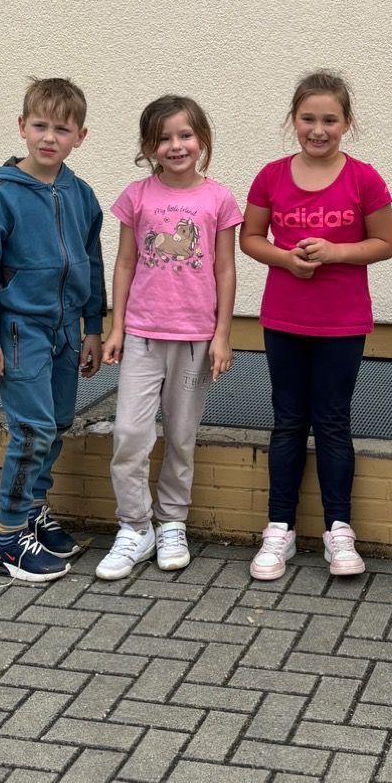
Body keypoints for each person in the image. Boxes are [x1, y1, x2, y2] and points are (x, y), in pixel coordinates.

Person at [240, 71, 392, 582]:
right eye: (308, 118)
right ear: (294, 120)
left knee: (332, 422)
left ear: (347, 122)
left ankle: (338, 529)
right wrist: (287, 260)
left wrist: (334, 251)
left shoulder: (364, 179)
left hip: (341, 323)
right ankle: (279, 529)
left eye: (330, 119)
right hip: (285, 318)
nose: (319, 129)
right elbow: (250, 238)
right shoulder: (271, 176)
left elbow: (384, 243)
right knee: (288, 421)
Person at [0, 77, 105, 582]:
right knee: (33, 430)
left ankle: (33, 512)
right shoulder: (0, 194)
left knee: (58, 422)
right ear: (22, 126)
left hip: (66, 330)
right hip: (19, 332)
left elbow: (92, 261)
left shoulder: (81, 194)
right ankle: (8, 538)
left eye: (62, 130)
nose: (50, 137)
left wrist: (93, 326)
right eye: (40, 126)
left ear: (80, 137)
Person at [96, 95, 241, 580]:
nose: (176, 146)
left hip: (196, 340)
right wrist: (116, 327)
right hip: (141, 336)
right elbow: (125, 263)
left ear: (202, 140)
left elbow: (225, 268)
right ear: (148, 147)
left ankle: (172, 521)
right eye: (164, 138)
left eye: (185, 135)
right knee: (130, 434)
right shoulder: (136, 196)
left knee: (180, 434)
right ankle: (135, 527)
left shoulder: (218, 199)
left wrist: (222, 335)